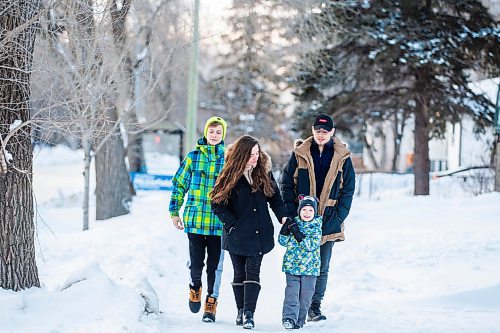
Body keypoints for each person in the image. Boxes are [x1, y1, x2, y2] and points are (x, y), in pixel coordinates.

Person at [280, 113, 355, 322]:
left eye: (325, 131)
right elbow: (286, 184)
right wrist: (292, 213)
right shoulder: (300, 153)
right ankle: (296, 307)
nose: (321, 134)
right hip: (301, 219)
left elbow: (348, 191)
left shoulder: (343, 156)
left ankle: (314, 306)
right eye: (318, 131)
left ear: (332, 132)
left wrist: (338, 218)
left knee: (321, 265)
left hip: (329, 219)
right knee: (298, 265)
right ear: (313, 131)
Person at [211, 135, 288, 330]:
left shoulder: (264, 172)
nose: (256, 157)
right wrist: (232, 225)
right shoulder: (228, 174)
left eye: (257, 153)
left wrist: (283, 217)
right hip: (236, 233)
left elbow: (275, 198)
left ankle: (249, 313)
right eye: (252, 154)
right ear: (242, 154)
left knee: (253, 271)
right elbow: (217, 204)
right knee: (239, 273)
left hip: (259, 232)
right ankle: (240, 311)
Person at [169, 116, 227, 323]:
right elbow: (179, 184)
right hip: (194, 220)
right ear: (205, 133)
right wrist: (175, 212)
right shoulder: (193, 157)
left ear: (223, 135)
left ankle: (211, 302)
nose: (214, 135)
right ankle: (195, 288)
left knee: (214, 266)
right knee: (196, 264)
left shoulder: (228, 159)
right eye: (211, 132)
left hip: (218, 223)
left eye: (218, 132)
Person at [279, 195, 322, 330]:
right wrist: (285, 231)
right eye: (304, 210)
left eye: (310, 210)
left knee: (305, 297)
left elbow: (311, 245)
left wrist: (298, 234)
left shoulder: (317, 226)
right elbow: (283, 242)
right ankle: (289, 318)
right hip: (292, 266)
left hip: (310, 269)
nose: (307, 213)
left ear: (314, 212)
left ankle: (299, 320)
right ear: (299, 211)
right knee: (292, 293)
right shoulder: (294, 223)